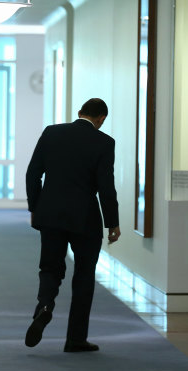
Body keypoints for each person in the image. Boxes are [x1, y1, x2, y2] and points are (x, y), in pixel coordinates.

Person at [24, 98, 121, 352]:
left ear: (79, 113)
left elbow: (33, 173)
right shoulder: (104, 142)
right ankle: (75, 338)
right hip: (85, 219)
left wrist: (35, 208)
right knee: (84, 276)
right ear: (101, 119)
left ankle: (45, 306)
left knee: (50, 268)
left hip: (51, 215)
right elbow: (106, 188)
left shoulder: (52, 132)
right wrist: (113, 222)